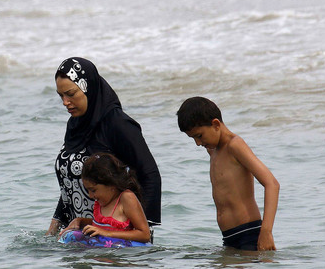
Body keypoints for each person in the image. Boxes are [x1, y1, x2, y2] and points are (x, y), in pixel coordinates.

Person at [47, 57, 162, 237]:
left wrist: (141, 231)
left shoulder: (118, 124)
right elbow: (72, 182)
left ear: (89, 88)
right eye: (61, 95)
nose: (65, 102)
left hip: (114, 239)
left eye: (70, 94)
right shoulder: (74, 126)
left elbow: (149, 174)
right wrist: (55, 225)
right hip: (78, 233)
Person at [177, 96, 279, 251]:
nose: (198, 143)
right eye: (193, 139)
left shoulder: (234, 145)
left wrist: (266, 232)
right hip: (229, 237)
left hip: (249, 233)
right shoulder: (213, 150)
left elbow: (272, 184)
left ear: (216, 124)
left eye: (199, 136)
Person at [58, 153, 152, 244]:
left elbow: (145, 235)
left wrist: (107, 233)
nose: (90, 195)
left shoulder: (126, 198)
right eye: (88, 190)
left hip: (121, 258)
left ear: (111, 184)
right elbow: (103, 225)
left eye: (93, 190)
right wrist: (80, 221)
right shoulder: (101, 202)